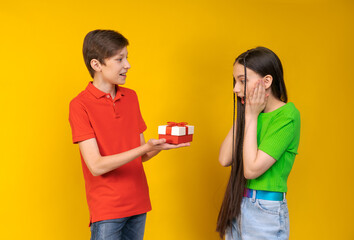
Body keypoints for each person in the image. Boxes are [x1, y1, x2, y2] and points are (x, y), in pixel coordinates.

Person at [69, 29, 189, 240]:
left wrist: (161, 145)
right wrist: (146, 147)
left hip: (138, 202)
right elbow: (96, 165)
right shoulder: (80, 105)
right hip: (107, 208)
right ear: (96, 64)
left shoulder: (131, 97)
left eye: (127, 58)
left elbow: (141, 155)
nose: (128, 65)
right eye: (119, 59)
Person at [216, 47, 301, 240]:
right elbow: (224, 158)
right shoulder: (251, 114)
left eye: (242, 81)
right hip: (238, 204)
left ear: (267, 81)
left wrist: (252, 116)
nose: (235, 89)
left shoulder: (287, 116)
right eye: (235, 81)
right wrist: (247, 114)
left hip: (265, 211)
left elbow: (252, 170)